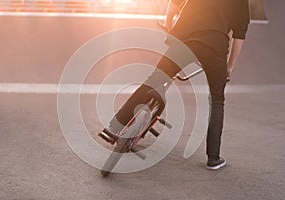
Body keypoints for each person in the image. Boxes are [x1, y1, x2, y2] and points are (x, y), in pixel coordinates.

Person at [102, 0, 250, 170]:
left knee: (153, 81)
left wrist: (167, 25)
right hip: (214, 47)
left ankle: (114, 127)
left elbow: (173, 3)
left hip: (184, 39)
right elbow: (239, 34)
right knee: (217, 99)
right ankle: (214, 158)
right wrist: (229, 67)